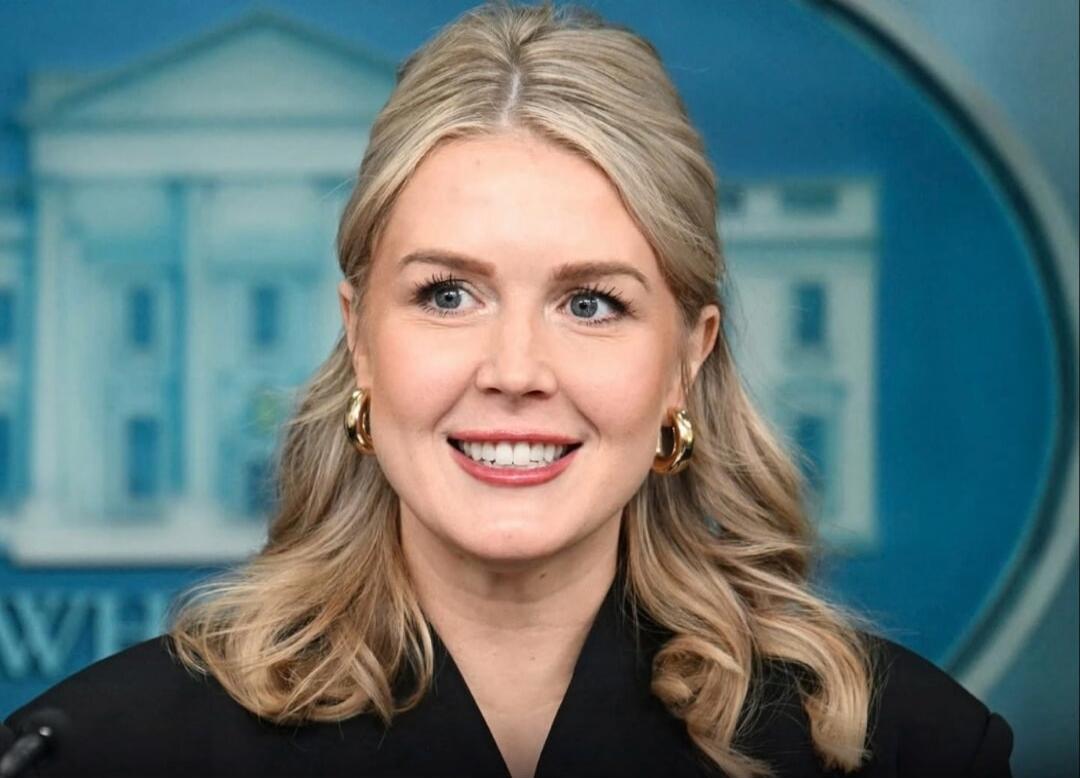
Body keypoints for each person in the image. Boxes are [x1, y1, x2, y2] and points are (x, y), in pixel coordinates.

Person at [3, 2, 1013, 777]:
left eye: (592, 304)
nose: (516, 371)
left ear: (686, 360)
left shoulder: (913, 751)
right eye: (448, 294)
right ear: (359, 339)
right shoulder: (96, 754)